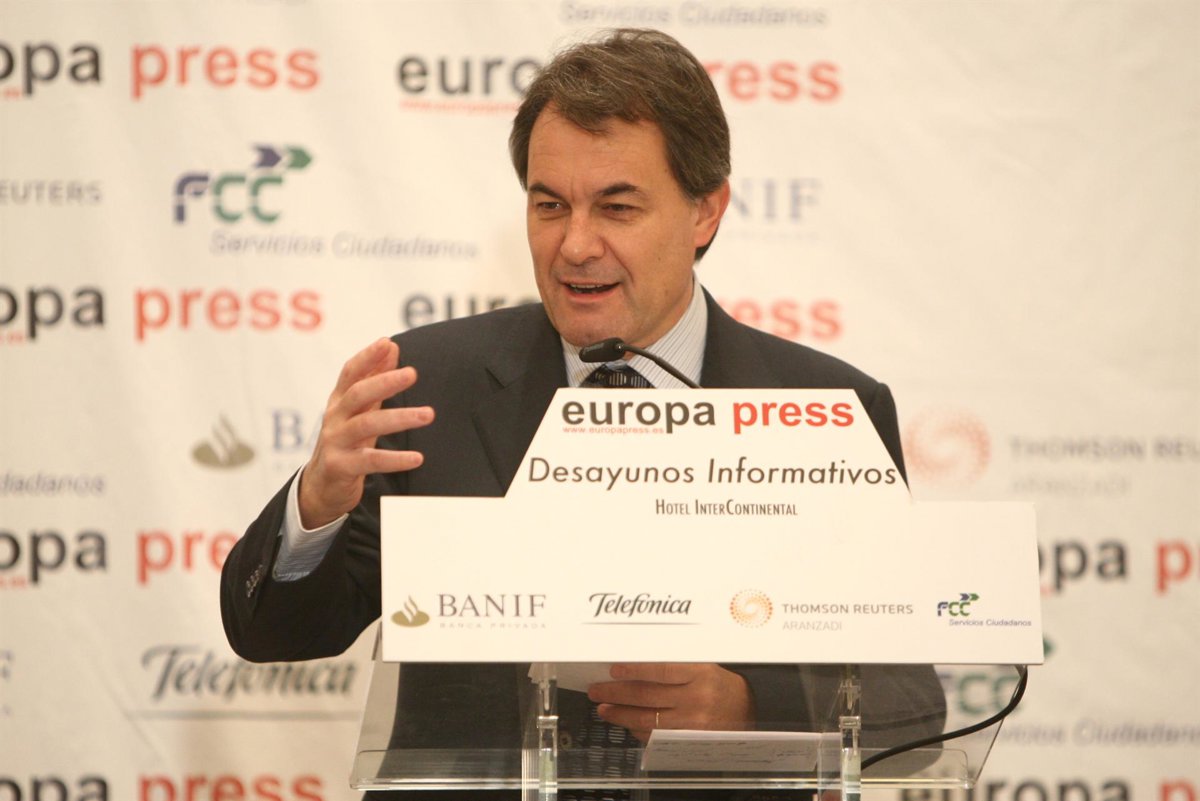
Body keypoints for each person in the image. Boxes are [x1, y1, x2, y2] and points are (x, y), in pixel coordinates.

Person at [221, 27, 945, 799]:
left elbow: (911, 709)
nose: (573, 245)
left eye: (617, 207)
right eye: (550, 205)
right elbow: (271, 632)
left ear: (705, 211)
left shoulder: (826, 410)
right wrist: (316, 506)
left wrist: (744, 705)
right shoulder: (427, 386)